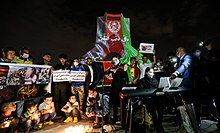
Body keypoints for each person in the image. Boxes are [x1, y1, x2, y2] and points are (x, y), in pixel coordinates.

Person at [139, 67, 165, 133]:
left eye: (153, 72)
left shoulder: (155, 80)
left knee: (161, 107)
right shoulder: (143, 80)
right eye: (150, 72)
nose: (152, 74)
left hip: (156, 98)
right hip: (148, 99)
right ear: (146, 73)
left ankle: (159, 124)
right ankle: (157, 126)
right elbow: (140, 91)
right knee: (152, 109)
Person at [109, 56, 129, 127]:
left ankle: (123, 121)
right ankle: (115, 118)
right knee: (114, 105)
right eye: (113, 60)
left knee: (122, 105)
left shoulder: (123, 67)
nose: (114, 61)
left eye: (115, 60)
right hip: (114, 89)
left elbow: (124, 74)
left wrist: (121, 90)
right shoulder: (113, 68)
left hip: (120, 89)